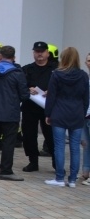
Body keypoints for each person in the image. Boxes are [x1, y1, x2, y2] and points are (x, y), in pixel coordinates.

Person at [0, 45, 29, 181]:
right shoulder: (17, 73)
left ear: (0, 56)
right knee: (8, 142)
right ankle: (6, 171)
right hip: (10, 113)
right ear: (14, 57)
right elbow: (24, 95)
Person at [44, 47, 89, 187]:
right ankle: (72, 179)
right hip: (76, 114)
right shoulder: (83, 76)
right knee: (75, 147)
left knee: (59, 146)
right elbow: (86, 98)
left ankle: (59, 178)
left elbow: (51, 96)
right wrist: (82, 112)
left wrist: (48, 113)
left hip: (59, 112)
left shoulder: (56, 74)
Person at [21, 41, 57, 171]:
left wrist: (52, 91)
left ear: (48, 53)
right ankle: (33, 161)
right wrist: (28, 89)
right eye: (37, 51)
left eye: (42, 51)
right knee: (29, 135)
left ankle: (56, 162)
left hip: (49, 108)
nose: (39, 54)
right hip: (30, 107)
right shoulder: (26, 69)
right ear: (33, 53)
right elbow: (19, 85)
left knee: (51, 136)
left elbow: (63, 86)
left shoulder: (56, 68)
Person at [82, 52, 90, 185]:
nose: (89, 63)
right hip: (84, 115)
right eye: (88, 61)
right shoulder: (86, 78)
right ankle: (86, 172)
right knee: (86, 145)